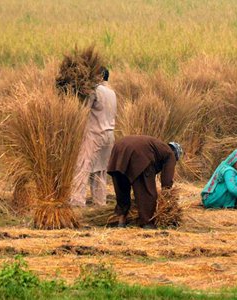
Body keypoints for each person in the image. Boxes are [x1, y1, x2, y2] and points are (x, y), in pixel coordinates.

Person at [107, 135, 182, 229]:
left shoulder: (158, 146)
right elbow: (167, 178)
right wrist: (166, 194)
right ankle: (147, 223)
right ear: (176, 154)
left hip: (118, 149)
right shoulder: (170, 153)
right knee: (148, 193)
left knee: (122, 188)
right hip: (139, 154)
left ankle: (121, 221)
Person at [70, 67, 117, 207]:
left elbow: (84, 110)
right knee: (100, 170)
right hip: (109, 136)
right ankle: (99, 203)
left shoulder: (95, 91)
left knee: (83, 166)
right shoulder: (112, 93)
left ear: (100, 76)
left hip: (94, 134)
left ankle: (77, 202)